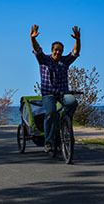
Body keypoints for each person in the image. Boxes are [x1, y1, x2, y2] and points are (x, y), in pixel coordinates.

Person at [30, 24, 81, 153]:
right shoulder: (44, 60)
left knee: (72, 102)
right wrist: (33, 38)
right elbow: (37, 49)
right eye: (56, 50)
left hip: (63, 93)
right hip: (49, 94)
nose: (58, 52)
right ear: (52, 50)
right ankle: (49, 142)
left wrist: (77, 39)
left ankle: (65, 122)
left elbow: (75, 52)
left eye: (60, 50)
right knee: (51, 113)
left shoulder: (65, 61)